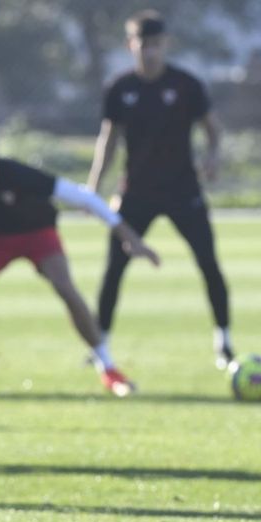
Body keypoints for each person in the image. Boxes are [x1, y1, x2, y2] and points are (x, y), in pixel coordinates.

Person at [0, 130, 160, 398]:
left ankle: (108, 368)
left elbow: (84, 198)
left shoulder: (18, 174)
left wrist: (130, 237)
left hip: (38, 234)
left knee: (66, 288)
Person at [88, 10, 233, 369]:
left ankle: (224, 340)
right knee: (114, 268)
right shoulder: (121, 89)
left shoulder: (186, 85)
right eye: (143, 44)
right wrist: (92, 188)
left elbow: (214, 130)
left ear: (165, 45)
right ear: (131, 45)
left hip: (183, 190)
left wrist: (213, 158)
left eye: (156, 44)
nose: (150, 51)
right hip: (136, 192)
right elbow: (109, 140)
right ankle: (100, 346)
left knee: (209, 263)